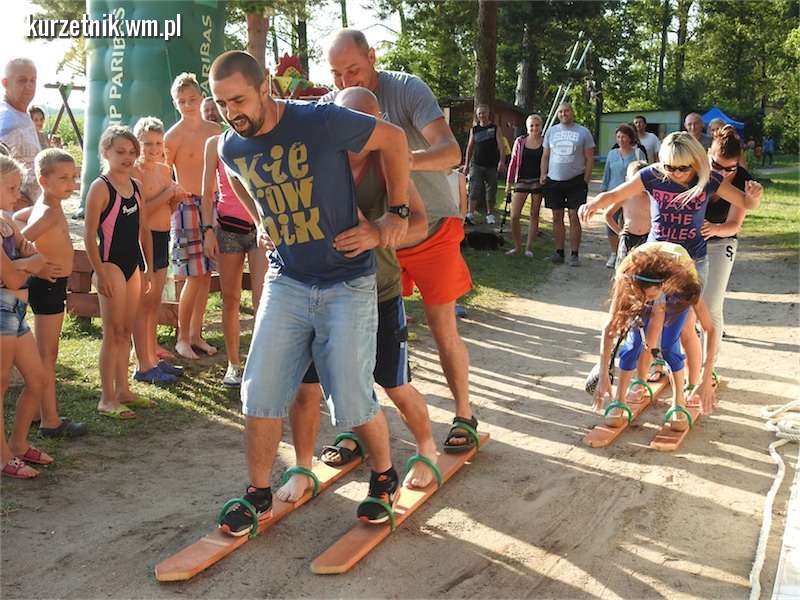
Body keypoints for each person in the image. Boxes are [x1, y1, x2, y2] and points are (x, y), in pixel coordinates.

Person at [210, 50, 412, 534]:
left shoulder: (320, 120)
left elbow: (395, 139)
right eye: (221, 103)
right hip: (288, 279)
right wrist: (261, 220)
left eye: (238, 100)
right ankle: (258, 492)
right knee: (259, 390)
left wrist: (396, 214)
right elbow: (236, 178)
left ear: (265, 87)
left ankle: (384, 476)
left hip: (347, 282)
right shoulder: (231, 146)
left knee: (351, 398)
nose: (231, 112)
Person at [276, 87, 438, 502]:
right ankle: (301, 467)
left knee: (393, 383)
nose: (354, 131)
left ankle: (426, 449)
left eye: (365, 122)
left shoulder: (389, 164)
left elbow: (421, 224)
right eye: (346, 121)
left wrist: (379, 233)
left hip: (378, 292)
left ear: (379, 123)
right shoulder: (315, 159)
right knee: (307, 387)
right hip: (317, 290)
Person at [325, 29, 477, 452]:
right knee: (361, 336)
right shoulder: (334, 103)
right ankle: (361, 425)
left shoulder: (406, 89)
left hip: (430, 227)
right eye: (336, 74)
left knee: (442, 327)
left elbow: (451, 152)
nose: (345, 81)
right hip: (372, 237)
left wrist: (398, 158)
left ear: (372, 56)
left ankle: (464, 413)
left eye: (353, 69)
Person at [579, 131, 762, 389]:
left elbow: (746, 203)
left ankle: (694, 383)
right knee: (648, 323)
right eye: (669, 167)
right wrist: (595, 202)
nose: (674, 173)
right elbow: (616, 194)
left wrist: (754, 196)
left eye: (682, 168)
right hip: (658, 261)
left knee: (685, 326)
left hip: (692, 262)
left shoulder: (708, 179)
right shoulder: (652, 175)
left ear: (695, 162)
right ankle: (644, 377)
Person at [592, 242, 717, 431]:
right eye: (642, 296)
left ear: (663, 286)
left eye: (650, 297)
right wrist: (603, 375)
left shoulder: (684, 282)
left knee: (669, 345)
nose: (646, 301)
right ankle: (619, 399)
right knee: (634, 342)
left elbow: (709, 329)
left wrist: (705, 376)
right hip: (645, 279)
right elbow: (610, 327)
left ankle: (679, 402)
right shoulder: (626, 278)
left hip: (676, 276)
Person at [0, 154, 66, 478]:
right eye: (11, 188)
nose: (17, 195)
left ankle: (18, 443)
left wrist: (25, 263)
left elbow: (32, 253)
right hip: (2, 310)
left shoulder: (7, 222)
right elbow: (13, 277)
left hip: (16, 311)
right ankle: (3, 456)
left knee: (38, 379)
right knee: (0, 384)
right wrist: (27, 264)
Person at [83, 126, 153, 419]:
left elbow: (143, 230)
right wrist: (99, 272)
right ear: (105, 152)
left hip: (132, 266)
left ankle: (123, 390)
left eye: (132, 152)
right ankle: (107, 398)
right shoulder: (101, 187)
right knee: (112, 332)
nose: (127, 157)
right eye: (120, 151)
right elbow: (89, 235)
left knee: (125, 330)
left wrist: (147, 268)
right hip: (110, 265)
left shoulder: (136, 186)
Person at [17, 149, 88, 437]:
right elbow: (19, 241)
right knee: (48, 354)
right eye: (63, 178)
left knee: (45, 352)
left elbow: (17, 220)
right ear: (43, 180)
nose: (71, 184)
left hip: (51, 285)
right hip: (48, 285)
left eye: (73, 177)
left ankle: (37, 410)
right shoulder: (47, 211)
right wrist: (37, 265)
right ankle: (50, 420)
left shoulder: (46, 205)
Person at [200, 133, 268, 387]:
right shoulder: (215, 143)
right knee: (231, 299)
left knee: (263, 297)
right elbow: (207, 191)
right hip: (229, 228)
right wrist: (208, 230)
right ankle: (234, 364)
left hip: (261, 227)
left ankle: (260, 364)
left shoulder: (263, 137)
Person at [165, 73, 221, 360]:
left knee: (206, 274)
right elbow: (164, 176)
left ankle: (196, 334)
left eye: (192, 99)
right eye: (181, 101)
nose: (187, 105)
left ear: (201, 98)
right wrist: (173, 199)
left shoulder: (215, 130)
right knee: (193, 275)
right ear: (175, 103)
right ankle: (182, 337)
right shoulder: (172, 136)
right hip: (186, 206)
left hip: (213, 203)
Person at [130, 117, 186, 384]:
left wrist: (175, 200)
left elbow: (168, 209)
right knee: (143, 302)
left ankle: (151, 354)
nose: (153, 149)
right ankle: (142, 362)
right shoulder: (136, 172)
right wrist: (166, 195)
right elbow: (140, 212)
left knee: (154, 302)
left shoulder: (164, 170)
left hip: (162, 236)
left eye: (158, 143)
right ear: (137, 144)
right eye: (147, 144)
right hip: (145, 239)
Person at [701, 125, 755, 371]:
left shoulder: (743, 180)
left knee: (711, 304)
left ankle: (709, 367)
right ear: (707, 154)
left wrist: (713, 228)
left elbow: (734, 224)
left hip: (721, 241)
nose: (721, 173)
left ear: (738, 163)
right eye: (716, 165)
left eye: (729, 169)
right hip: (690, 241)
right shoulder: (694, 170)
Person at [540, 101, 595, 266]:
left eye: (567, 111)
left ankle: (574, 254)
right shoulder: (551, 131)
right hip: (554, 181)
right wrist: (543, 173)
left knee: (573, 216)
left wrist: (586, 179)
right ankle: (559, 252)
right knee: (557, 217)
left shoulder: (583, 132)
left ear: (572, 112)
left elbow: (589, 158)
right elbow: (545, 155)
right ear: (558, 114)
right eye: (561, 112)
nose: (564, 114)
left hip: (576, 180)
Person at [601, 124, 646, 267]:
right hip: (613, 193)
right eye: (618, 137)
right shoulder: (612, 153)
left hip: (632, 195)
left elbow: (644, 172)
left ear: (630, 138)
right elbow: (607, 173)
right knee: (611, 223)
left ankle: (631, 253)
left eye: (624, 137)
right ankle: (614, 253)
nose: (620, 139)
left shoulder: (638, 153)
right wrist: (603, 191)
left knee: (629, 223)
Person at [0, 58, 41, 208]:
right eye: (22, 80)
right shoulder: (7, 120)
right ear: (5, 83)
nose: (29, 86)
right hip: (13, 211)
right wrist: (16, 201)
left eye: (33, 80)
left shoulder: (21, 115)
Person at [505, 113, 544, 257]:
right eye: (531, 125)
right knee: (514, 215)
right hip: (521, 180)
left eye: (537, 125)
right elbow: (513, 162)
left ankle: (529, 248)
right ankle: (517, 247)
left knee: (534, 214)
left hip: (538, 182)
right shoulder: (520, 141)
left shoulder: (545, 142)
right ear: (527, 127)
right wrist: (509, 182)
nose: (534, 128)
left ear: (541, 127)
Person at [603, 160, 650, 268]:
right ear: (627, 180)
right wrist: (619, 232)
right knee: (623, 268)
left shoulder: (651, 198)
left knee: (645, 268)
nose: (638, 186)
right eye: (634, 182)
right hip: (628, 237)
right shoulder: (625, 197)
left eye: (641, 182)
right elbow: (607, 215)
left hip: (647, 238)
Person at [464, 104, 505, 225]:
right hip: (477, 164)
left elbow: (501, 146)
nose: (482, 115)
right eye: (480, 113)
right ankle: (470, 213)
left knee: (491, 190)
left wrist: (502, 161)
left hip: (492, 165)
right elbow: (469, 148)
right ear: (477, 115)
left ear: (488, 113)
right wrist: (466, 164)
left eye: (484, 113)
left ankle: (490, 214)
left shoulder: (495, 128)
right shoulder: (474, 129)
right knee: (474, 188)